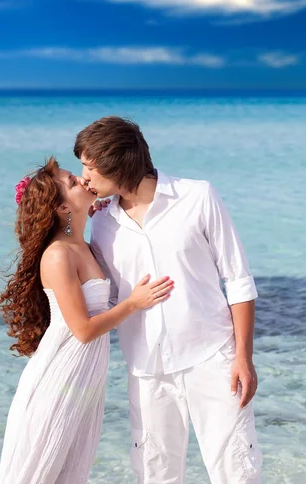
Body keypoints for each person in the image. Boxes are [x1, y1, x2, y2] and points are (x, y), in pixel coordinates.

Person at [74, 116, 262, 484]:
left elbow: (238, 280)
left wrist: (243, 356)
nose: (84, 177)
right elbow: (105, 294)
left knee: (236, 469)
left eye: (91, 167)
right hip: (146, 367)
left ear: (120, 163)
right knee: (154, 473)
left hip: (212, 357)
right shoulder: (102, 222)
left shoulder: (198, 196)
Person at [0, 157, 174, 484]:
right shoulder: (59, 254)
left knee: (69, 473)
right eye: (73, 182)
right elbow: (83, 330)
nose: (84, 179)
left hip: (83, 378)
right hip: (60, 376)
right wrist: (134, 303)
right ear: (62, 207)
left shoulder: (82, 246)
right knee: (39, 473)